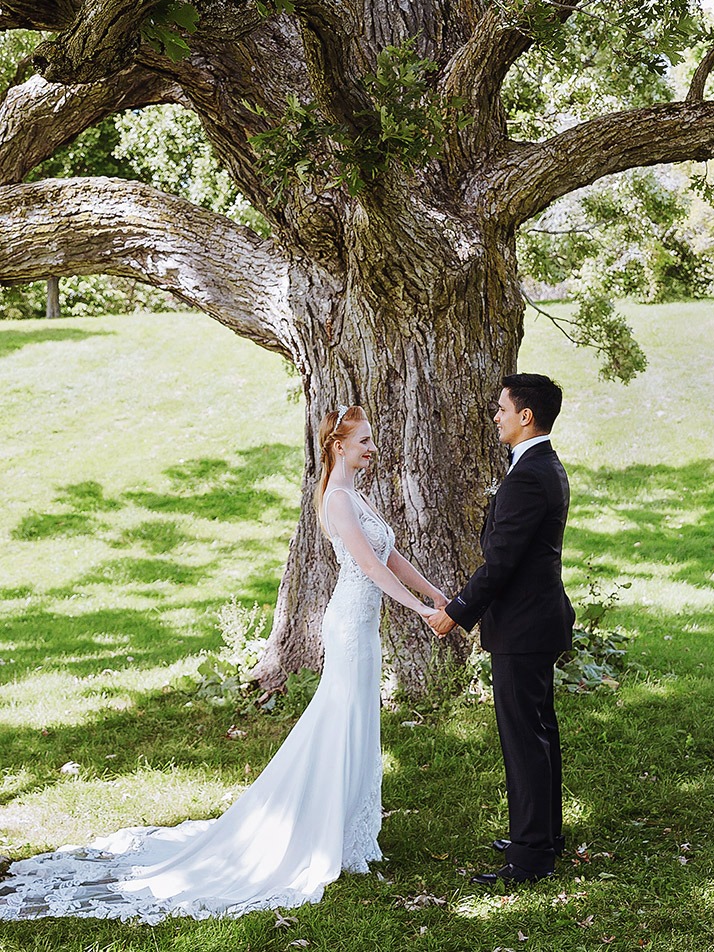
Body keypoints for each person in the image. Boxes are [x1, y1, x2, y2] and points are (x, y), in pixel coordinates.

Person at [0, 405, 445, 922]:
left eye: (372, 439)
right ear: (338, 446)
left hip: (363, 625)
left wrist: (437, 595)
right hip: (348, 624)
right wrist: (417, 610)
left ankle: (350, 833)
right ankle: (322, 833)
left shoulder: (357, 495)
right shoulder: (338, 498)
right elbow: (367, 565)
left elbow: (389, 556)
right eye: (364, 440)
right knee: (338, 720)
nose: (372, 447)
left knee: (357, 721)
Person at [428, 373, 575, 885]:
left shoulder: (530, 475)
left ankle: (531, 856)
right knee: (537, 733)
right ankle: (543, 835)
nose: (496, 417)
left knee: (523, 739)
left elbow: (501, 562)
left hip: (523, 625)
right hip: (536, 620)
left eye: (501, 409)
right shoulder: (540, 467)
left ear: (525, 416)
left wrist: (458, 609)